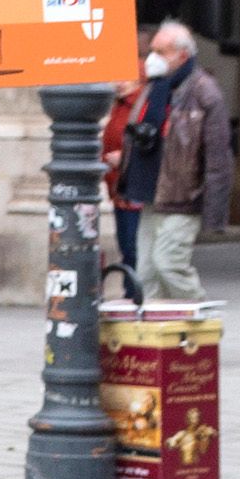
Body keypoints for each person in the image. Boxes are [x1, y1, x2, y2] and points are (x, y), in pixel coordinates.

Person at [128, 19, 234, 304]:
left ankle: (202, 317)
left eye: (160, 52)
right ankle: (156, 327)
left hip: (183, 196)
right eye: (151, 51)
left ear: (182, 55)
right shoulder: (156, 87)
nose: (152, 59)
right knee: (146, 273)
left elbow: (218, 157)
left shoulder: (204, 91)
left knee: (169, 264)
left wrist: (214, 213)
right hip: (151, 192)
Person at [97, 44, 151, 303]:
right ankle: (132, 293)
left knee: (132, 245)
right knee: (126, 243)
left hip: (133, 187)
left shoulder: (141, 105)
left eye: (124, 77)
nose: (117, 82)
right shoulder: (119, 105)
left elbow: (147, 143)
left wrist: (124, 158)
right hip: (119, 186)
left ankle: (136, 293)